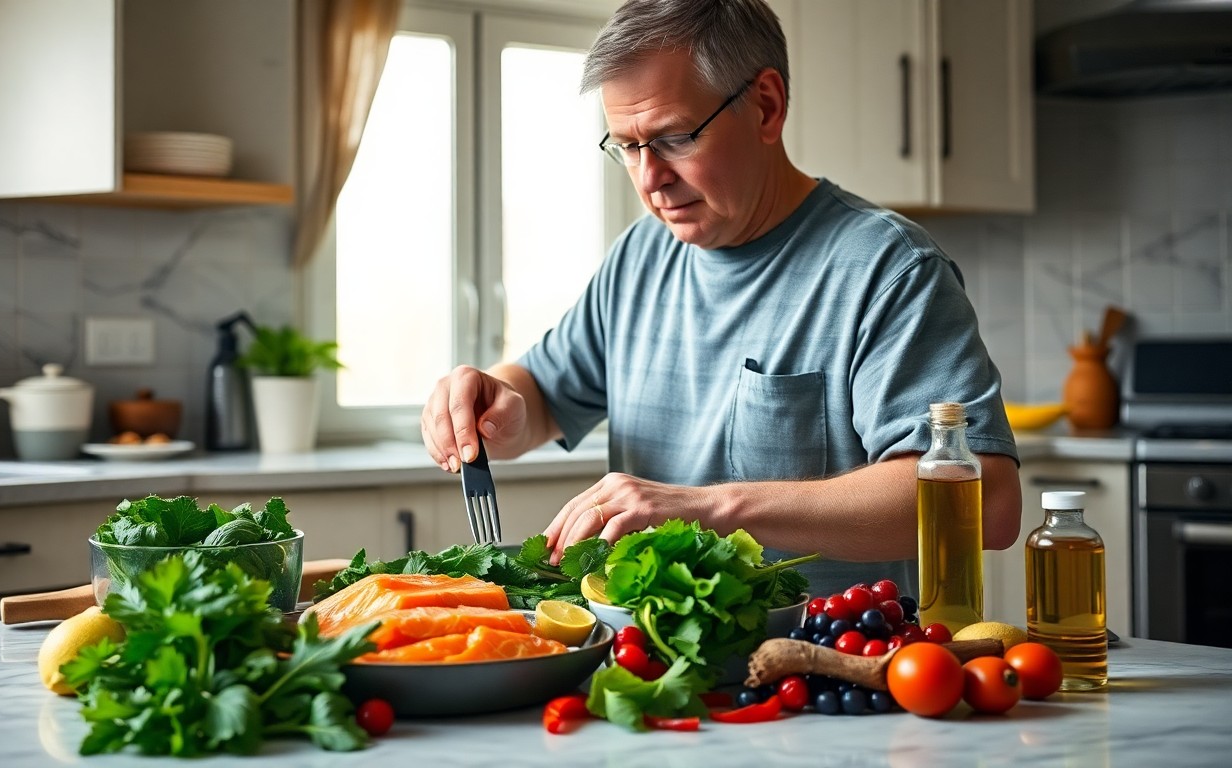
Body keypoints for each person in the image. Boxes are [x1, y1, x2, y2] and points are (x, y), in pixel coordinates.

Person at [420, 0, 1020, 598]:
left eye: (674, 138)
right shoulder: (640, 257)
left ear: (766, 106)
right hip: (648, 663)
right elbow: (542, 393)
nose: (649, 178)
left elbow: (987, 502)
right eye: (627, 146)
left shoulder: (886, 268)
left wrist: (714, 506)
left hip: (830, 672)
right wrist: (497, 400)